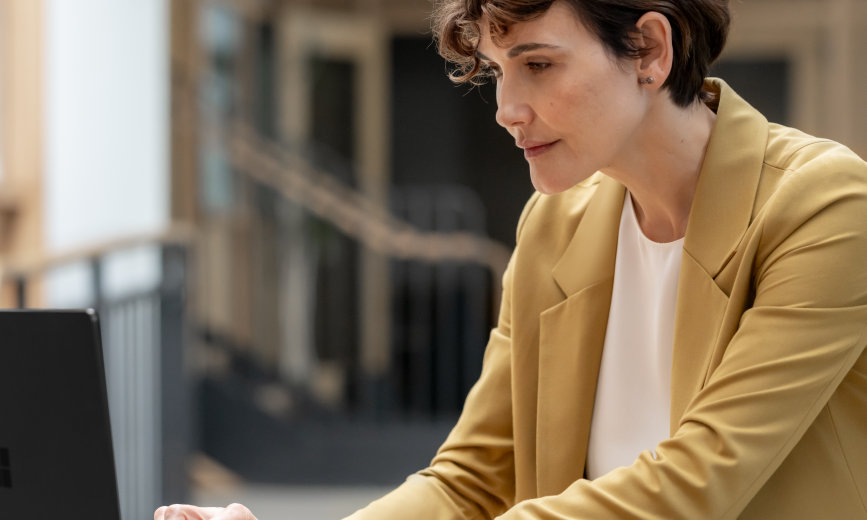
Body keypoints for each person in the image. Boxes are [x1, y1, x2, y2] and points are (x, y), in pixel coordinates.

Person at [157, 0, 867, 518]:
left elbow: (699, 481)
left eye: (537, 64)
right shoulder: (556, 223)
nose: (506, 107)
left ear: (650, 50)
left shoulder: (824, 205)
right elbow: (471, 479)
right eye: (497, 70)